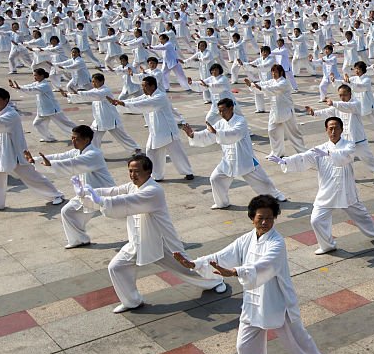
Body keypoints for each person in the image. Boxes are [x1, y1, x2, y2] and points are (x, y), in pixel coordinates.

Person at [173, 195, 336, 354]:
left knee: (297, 339)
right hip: (252, 302)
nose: (265, 222)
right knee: (244, 345)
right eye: (260, 218)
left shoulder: (277, 243)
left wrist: (234, 272)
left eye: (269, 218)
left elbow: (264, 266)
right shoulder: (246, 240)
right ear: (252, 218)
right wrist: (195, 264)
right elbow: (221, 256)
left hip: (277, 301)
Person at [76, 155, 227, 313]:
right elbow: (113, 191)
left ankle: (215, 280)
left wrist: (100, 200)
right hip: (137, 242)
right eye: (130, 171)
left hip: (159, 242)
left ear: (148, 171)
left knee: (185, 267)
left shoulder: (153, 190)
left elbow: (126, 201)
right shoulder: (132, 186)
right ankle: (131, 301)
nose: (133, 175)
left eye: (136, 171)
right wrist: (87, 192)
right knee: (116, 267)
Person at [271, 116, 374, 254]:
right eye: (330, 128)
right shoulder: (319, 149)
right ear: (326, 130)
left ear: (342, 129)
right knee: (316, 220)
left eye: (336, 128)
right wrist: (285, 161)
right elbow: (304, 158)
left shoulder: (348, 145)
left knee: (361, 215)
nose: (333, 131)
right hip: (327, 192)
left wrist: (329, 153)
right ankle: (327, 245)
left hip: (346, 191)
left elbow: (346, 156)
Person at [183, 98, 286, 209]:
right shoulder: (220, 123)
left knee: (264, 182)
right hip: (228, 161)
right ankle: (222, 203)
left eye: (223, 110)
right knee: (215, 179)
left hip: (244, 159)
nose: (221, 113)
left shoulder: (240, 121)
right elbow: (208, 134)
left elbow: (234, 134)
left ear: (231, 108)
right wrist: (193, 135)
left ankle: (276, 195)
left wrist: (217, 133)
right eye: (220, 111)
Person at [29, 125, 116, 248]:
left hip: (104, 193)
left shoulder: (93, 154)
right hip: (88, 194)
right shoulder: (77, 151)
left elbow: (73, 163)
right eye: (72, 138)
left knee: (128, 215)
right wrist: (35, 160)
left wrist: (51, 164)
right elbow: (60, 156)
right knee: (68, 212)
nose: (73, 141)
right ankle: (79, 239)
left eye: (76, 139)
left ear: (86, 140)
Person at [108, 76, 194, 181]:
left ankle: (188, 172)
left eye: (145, 86)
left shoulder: (160, 97)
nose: (143, 89)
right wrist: (120, 102)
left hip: (168, 132)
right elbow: (137, 100)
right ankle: (157, 176)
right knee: (152, 152)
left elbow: (142, 104)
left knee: (177, 154)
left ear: (152, 86)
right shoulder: (148, 96)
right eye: (142, 86)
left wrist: (123, 103)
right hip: (156, 132)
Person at [306, 84, 374, 180]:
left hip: (358, 139)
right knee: (343, 159)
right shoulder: (338, 106)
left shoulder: (356, 103)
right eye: (340, 95)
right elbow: (327, 111)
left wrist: (334, 103)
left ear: (350, 94)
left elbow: (347, 107)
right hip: (345, 140)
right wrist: (314, 113)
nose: (342, 97)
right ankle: (345, 175)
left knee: (367, 157)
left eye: (344, 94)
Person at [9, 69, 77, 142]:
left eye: (36, 75)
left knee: (66, 123)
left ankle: (82, 133)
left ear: (41, 76)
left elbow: (32, 90)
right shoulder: (37, 83)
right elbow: (29, 86)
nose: (34, 77)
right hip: (43, 111)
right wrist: (17, 87)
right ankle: (49, 138)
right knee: (37, 124)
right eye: (34, 75)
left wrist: (20, 88)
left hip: (53, 110)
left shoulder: (44, 85)